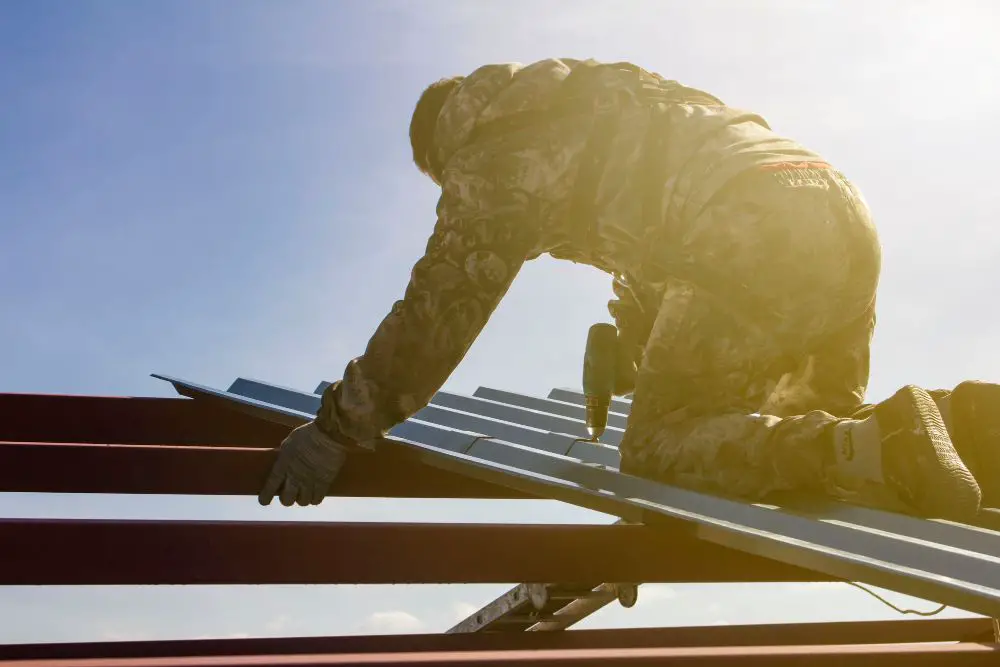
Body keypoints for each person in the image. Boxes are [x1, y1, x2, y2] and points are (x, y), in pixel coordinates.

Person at [257, 58, 986, 521]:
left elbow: (442, 302)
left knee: (661, 448)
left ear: (441, 152)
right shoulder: (607, 92)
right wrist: (634, 339)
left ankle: (886, 439)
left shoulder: (492, 150)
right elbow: (658, 203)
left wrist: (336, 429)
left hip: (743, 228)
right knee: (818, 424)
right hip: (837, 214)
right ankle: (970, 427)